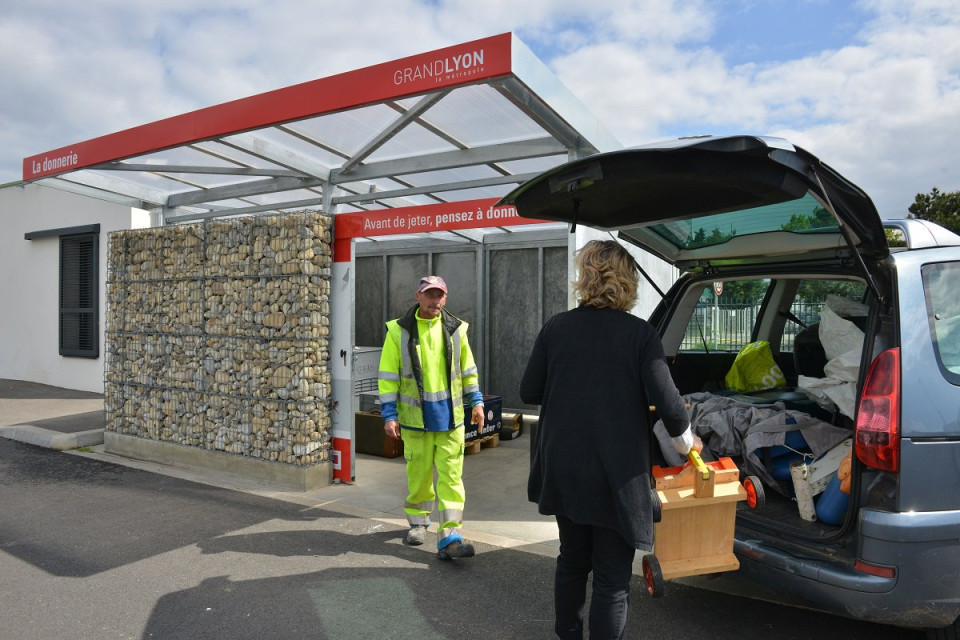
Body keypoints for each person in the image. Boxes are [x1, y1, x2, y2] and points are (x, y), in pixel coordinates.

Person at [520, 240, 699, 639]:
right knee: (612, 578)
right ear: (627, 281)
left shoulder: (556, 327)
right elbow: (671, 407)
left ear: (584, 278)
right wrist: (688, 445)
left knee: (571, 560)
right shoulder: (640, 335)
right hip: (617, 474)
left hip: (564, 466)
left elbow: (529, 390)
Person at [378, 275, 485, 560]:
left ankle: (451, 534)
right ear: (418, 296)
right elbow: (388, 377)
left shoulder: (457, 329)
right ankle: (417, 523)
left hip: (450, 420)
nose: (435, 300)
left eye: (439, 295)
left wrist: (477, 402)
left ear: (445, 298)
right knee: (419, 476)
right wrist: (389, 415)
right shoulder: (398, 331)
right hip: (416, 420)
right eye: (429, 295)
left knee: (452, 478)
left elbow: (468, 370)